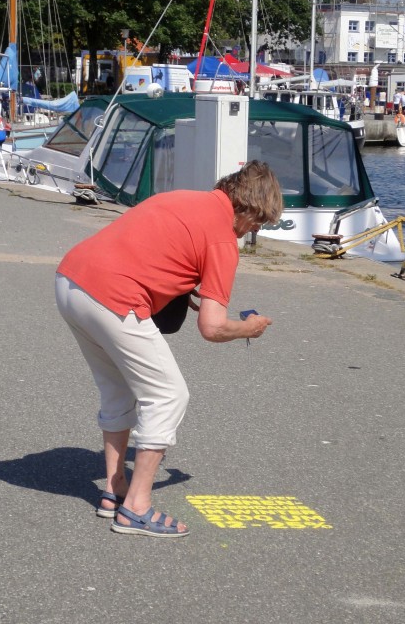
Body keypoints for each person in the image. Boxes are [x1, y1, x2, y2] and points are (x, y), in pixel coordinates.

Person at [54, 160, 283, 539]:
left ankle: (114, 489)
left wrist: (173, 285)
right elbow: (211, 327)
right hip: (113, 297)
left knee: (118, 389)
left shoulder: (183, 198)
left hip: (71, 280)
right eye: (260, 221)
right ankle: (136, 509)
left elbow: (153, 250)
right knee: (168, 395)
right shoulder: (223, 240)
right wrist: (249, 328)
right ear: (249, 206)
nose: (256, 230)